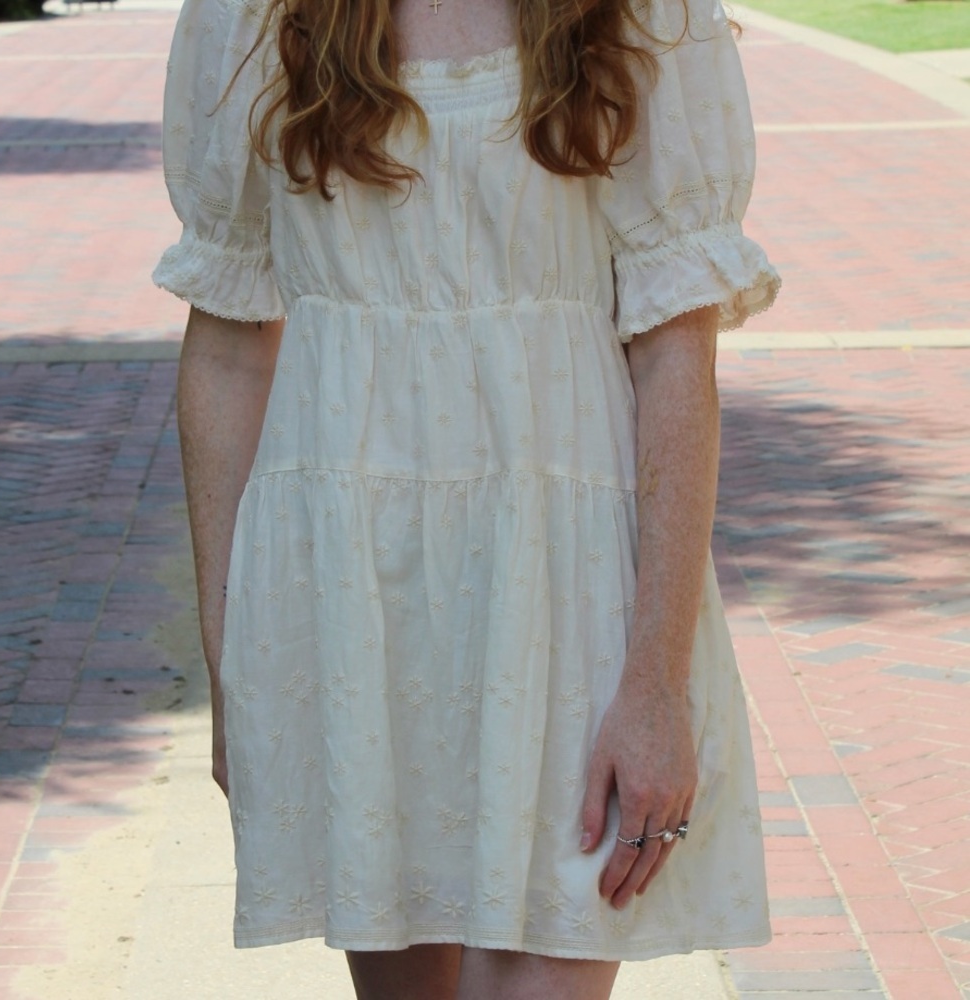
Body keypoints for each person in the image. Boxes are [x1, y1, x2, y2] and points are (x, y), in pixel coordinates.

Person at [153, 0, 780, 992]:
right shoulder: (247, 14)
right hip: (352, 582)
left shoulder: (645, 13)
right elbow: (229, 344)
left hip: (567, 579)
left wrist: (657, 685)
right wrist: (236, 663)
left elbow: (673, 347)